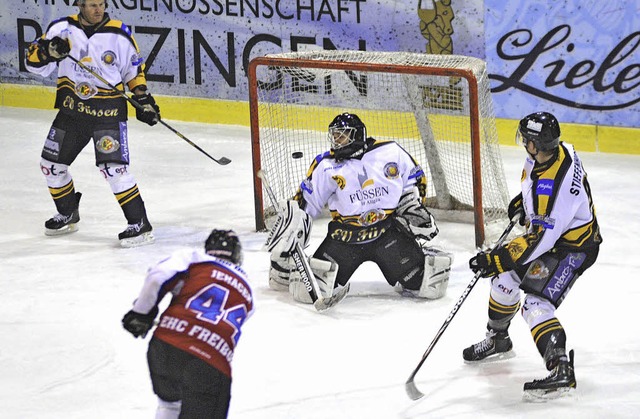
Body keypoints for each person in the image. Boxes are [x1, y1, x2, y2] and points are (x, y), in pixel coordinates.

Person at [462, 111, 602, 399]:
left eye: (527, 140)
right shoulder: (558, 152)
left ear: (538, 144)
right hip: (556, 237)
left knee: (535, 304)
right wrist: (526, 204)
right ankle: (498, 338)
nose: (524, 143)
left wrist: (495, 257)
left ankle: (561, 368)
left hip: (573, 248)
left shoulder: (554, 189)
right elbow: (540, 196)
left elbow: (539, 240)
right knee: (504, 281)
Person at [266, 112, 452, 305]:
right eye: (335, 135)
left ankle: (421, 255)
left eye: (342, 135)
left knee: (430, 287)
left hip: (388, 235)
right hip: (345, 239)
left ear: (357, 135)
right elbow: (307, 202)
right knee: (305, 292)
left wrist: (411, 205)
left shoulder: (390, 151)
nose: (337, 140)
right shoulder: (326, 165)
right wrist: (294, 224)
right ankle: (286, 268)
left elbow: (414, 177)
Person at [25, 0, 160, 247]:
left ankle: (139, 224)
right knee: (51, 165)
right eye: (91, 5)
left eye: (101, 4)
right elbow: (32, 62)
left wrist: (143, 99)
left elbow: (134, 71)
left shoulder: (118, 33)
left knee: (113, 169)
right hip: (72, 112)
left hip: (107, 113)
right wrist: (46, 52)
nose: (97, 9)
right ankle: (68, 212)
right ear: (79, 5)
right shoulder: (61, 28)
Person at [122, 229, 254, 419]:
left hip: (166, 348)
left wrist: (141, 313)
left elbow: (158, 277)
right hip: (211, 363)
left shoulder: (194, 259)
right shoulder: (248, 288)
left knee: (169, 405)